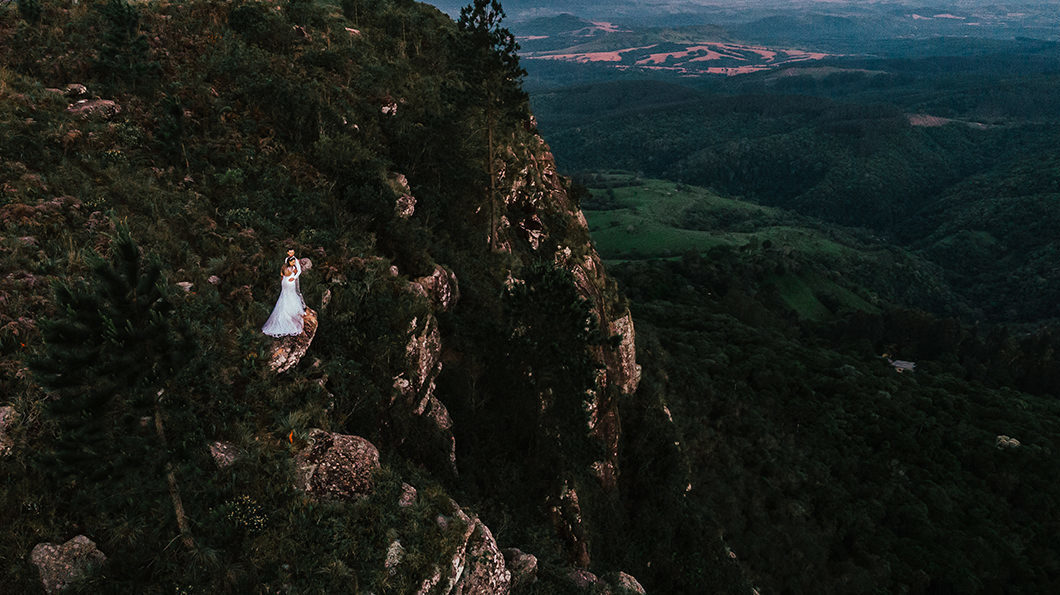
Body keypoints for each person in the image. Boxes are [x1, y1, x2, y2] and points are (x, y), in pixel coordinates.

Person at [261, 250, 305, 337]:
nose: (291, 253)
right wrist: (291, 277)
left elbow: (294, 272)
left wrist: (292, 277)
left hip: (287, 281)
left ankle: (290, 310)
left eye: (292, 252)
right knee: (289, 295)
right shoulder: (290, 265)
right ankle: (289, 312)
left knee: (289, 294)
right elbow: (290, 271)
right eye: (289, 252)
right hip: (288, 282)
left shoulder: (290, 263)